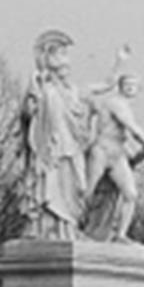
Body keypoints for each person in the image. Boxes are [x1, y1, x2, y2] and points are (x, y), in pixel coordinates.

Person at [19, 29, 92, 239]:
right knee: (51, 185)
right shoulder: (42, 87)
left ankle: (68, 226)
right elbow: (27, 113)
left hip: (71, 147)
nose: (66, 64)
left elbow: (79, 116)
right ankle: (50, 227)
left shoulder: (70, 91)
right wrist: (35, 98)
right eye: (60, 55)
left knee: (75, 187)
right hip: (51, 148)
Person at [82, 65, 144, 244]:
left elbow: (124, 135)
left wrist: (139, 152)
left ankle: (121, 234)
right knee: (88, 190)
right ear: (120, 86)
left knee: (131, 194)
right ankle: (74, 225)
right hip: (102, 150)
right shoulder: (114, 103)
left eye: (134, 85)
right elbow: (129, 125)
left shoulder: (126, 105)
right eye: (127, 84)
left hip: (118, 153)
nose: (130, 88)